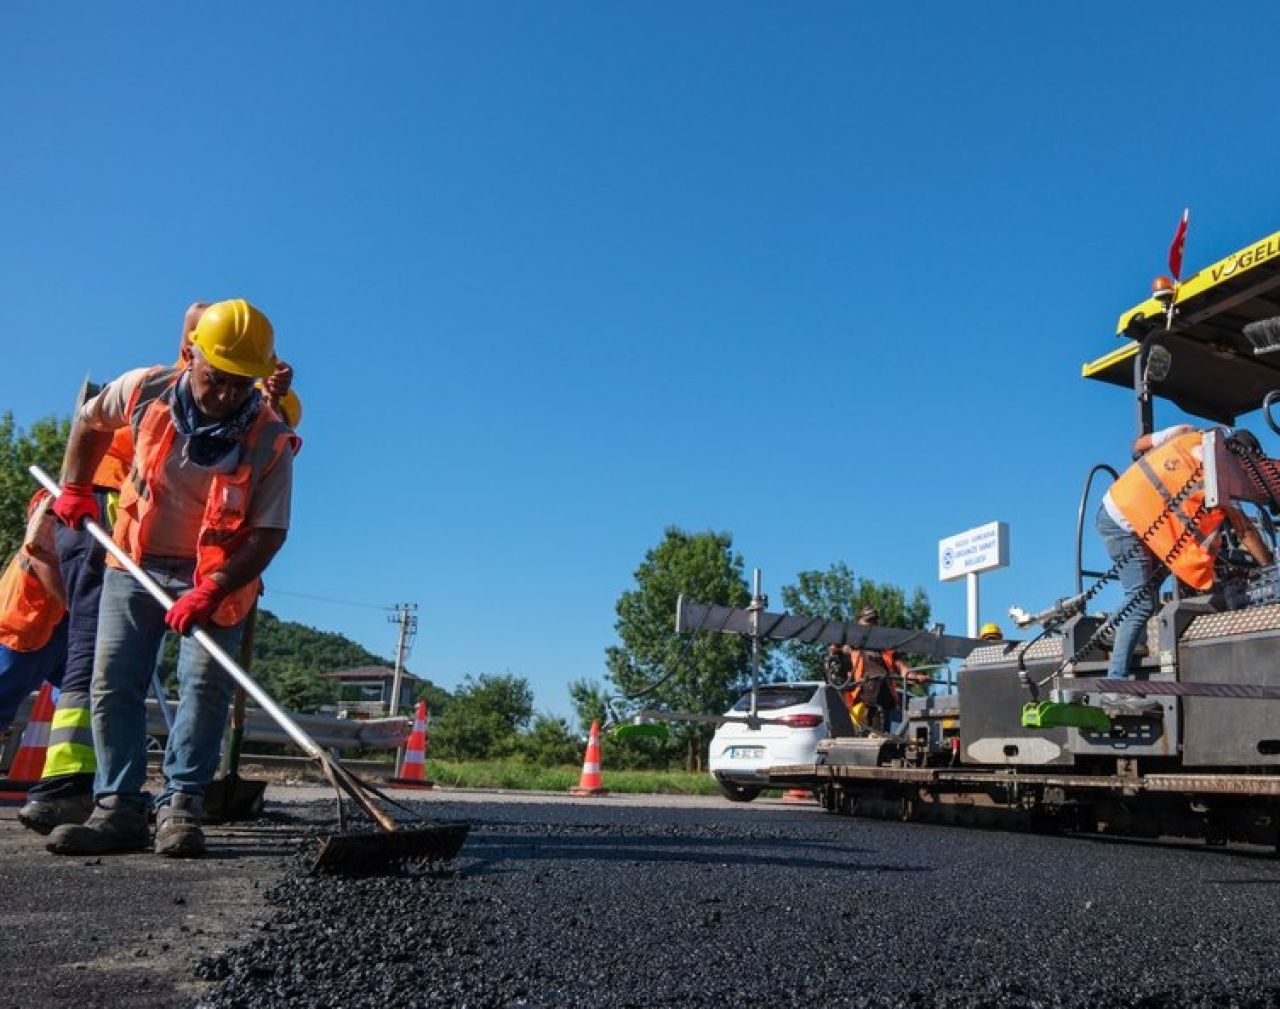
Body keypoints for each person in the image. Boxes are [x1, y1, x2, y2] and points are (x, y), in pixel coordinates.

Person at [17, 303, 300, 834]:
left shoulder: (269, 438)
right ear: (191, 356)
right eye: (215, 380)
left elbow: (268, 533)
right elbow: (89, 419)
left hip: (215, 578)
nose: (223, 396)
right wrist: (75, 486)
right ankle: (119, 806)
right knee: (113, 679)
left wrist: (211, 589)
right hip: (133, 561)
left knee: (204, 686)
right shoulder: (146, 389)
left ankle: (182, 806)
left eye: (240, 385)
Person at [1097, 424, 1272, 707]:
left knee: (1151, 584)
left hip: (1117, 506)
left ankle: (1109, 631)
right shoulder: (1221, 475)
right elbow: (1245, 532)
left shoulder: (1185, 432)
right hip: (1124, 522)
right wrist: (1270, 569)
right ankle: (1114, 687)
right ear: (1239, 458)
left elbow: (1138, 446)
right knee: (1141, 603)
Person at [0, 494, 68, 737]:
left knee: (77, 697)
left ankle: (74, 769)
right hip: (24, 624)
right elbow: (40, 557)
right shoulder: (55, 500)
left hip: (57, 626)